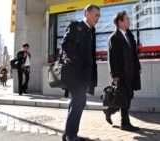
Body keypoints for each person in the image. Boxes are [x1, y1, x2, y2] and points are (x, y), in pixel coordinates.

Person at [61, 4, 100, 141]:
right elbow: (66, 46)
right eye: (96, 15)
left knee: (76, 102)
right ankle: (71, 135)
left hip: (84, 74)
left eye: (99, 16)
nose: (98, 19)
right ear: (87, 14)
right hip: (74, 73)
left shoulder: (91, 31)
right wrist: (76, 61)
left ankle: (68, 134)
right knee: (80, 101)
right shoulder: (75, 26)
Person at [103, 10, 142, 132]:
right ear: (120, 22)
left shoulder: (129, 35)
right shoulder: (114, 38)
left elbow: (134, 54)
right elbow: (112, 58)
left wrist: (138, 66)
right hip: (121, 73)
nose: (129, 21)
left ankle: (109, 110)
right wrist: (114, 74)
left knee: (128, 96)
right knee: (124, 97)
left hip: (131, 71)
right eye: (127, 19)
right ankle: (125, 123)